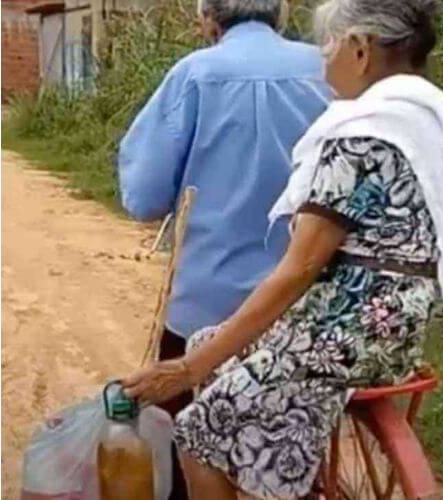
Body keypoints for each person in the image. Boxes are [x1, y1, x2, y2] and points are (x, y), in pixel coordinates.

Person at [123, 0, 443, 498]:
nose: (323, 61)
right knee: (210, 340)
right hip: (401, 326)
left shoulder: (358, 137)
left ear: (359, 50)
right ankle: (266, 457)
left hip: (344, 329)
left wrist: (188, 370)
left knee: (195, 429)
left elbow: (299, 269)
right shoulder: (429, 120)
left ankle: (244, 455)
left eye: (330, 47)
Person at [116, 0, 330, 496]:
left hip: (207, 309)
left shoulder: (195, 74)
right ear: (281, 13)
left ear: (208, 20)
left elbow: (143, 197)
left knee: (172, 424)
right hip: (309, 304)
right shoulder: (329, 67)